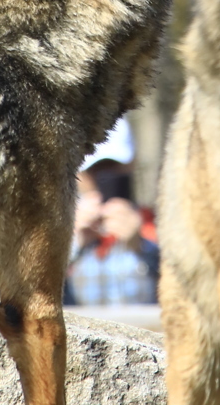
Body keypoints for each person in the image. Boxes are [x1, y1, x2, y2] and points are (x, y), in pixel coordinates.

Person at [64, 118, 160, 306]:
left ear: (131, 164)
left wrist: (142, 247)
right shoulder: (56, 234)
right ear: (77, 173)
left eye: (114, 166)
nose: (104, 177)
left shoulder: (157, 226)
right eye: (95, 169)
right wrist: (72, 246)